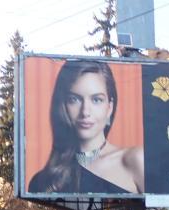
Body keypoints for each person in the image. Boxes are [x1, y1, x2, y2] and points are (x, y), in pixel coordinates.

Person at [28, 60, 144, 195]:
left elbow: (160, 206)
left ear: (110, 107)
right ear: (62, 105)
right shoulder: (43, 181)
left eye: (96, 100)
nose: (85, 112)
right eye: (74, 99)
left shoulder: (135, 159)